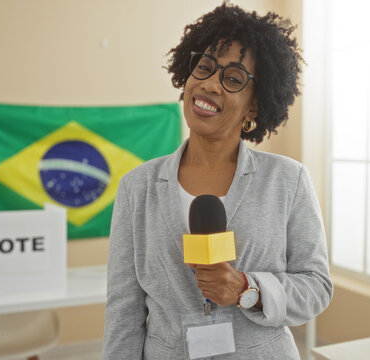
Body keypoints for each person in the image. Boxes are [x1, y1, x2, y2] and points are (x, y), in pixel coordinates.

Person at [102, 3, 333, 359]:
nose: (210, 84)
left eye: (234, 78)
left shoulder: (288, 180)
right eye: (205, 67)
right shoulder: (137, 187)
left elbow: (316, 288)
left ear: (253, 106)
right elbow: (123, 311)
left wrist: (246, 288)